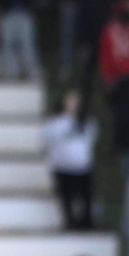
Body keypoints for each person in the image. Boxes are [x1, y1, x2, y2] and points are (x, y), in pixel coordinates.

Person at [44, 90, 97, 230]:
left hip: (82, 167)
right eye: (70, 100)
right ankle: (70, 223)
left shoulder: (87, 121)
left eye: (75, 100)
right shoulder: (55, 122)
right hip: (63, 167)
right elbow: (48, 139)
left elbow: (90, 140)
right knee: (66, 198)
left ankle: (87, 223)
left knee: (86, 197)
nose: (73, 104)